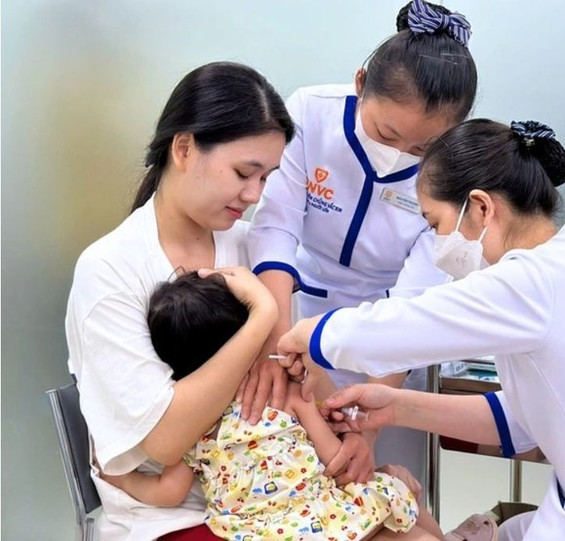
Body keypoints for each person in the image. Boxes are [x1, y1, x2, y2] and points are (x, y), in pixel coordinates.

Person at [276, 119, 565, 540]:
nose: (437, 245)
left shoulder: (533, 281)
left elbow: (405, 325)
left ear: (480, 207)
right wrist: (393, 406)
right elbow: (531, 417)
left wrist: (304, 334)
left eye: (435, 224)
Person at [246, 0, 478, 488]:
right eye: (385, 132)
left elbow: (415, 301)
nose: (398, 154)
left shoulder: (455, 173)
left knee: (384, 488)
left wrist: (368, 428)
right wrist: (278, 349)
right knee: (294, 488)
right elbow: (275, 229)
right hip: (295, 317)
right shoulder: (310, 114)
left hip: (390, 349)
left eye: (420, 148)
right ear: (359, 84)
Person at [65, 61, 293, 541]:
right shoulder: (109, 270)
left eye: (267, 178)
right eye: (243, 173)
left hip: (273, 498)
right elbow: (167, 441)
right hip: (175, 519)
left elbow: (296, 378)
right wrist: (262, 320)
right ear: (184, 147)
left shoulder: (254, 247)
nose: (253, 195)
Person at [100, 271, 445, 541]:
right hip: (324, 519)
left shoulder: (194, 425)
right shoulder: (285, 394)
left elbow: (169, 491)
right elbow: (333, 459)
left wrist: (123, 480)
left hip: (257, 535)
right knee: (399, 493)